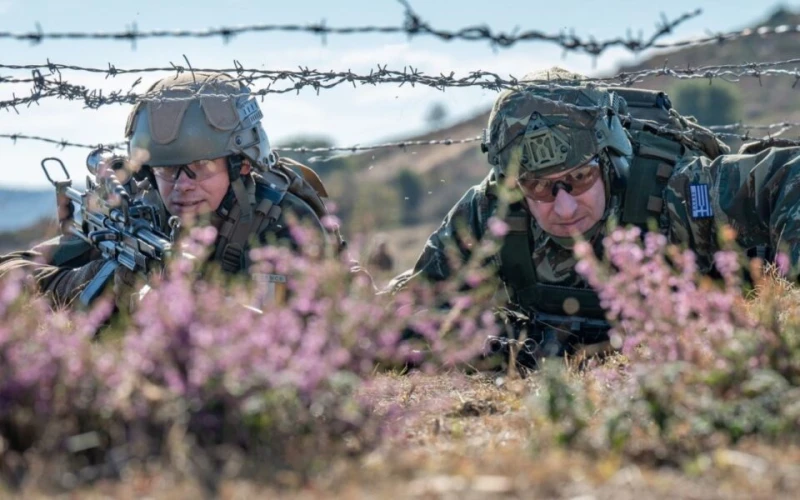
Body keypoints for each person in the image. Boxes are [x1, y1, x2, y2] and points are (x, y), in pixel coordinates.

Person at [386, 67, 800, 360]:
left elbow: (788, 176)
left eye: (580, 177)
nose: (563, 206)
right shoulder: (489, 214)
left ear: (609, 160)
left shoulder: (676, 190)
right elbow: (408, 309)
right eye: (539, 187)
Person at [0, 71, 343, 311]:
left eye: (202, 166)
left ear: (240, 165)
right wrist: (96, 280)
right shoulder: (139, 215)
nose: (182, 184)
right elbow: (10, 272)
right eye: (166, 169)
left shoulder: (284, 222)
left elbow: (323, 328)